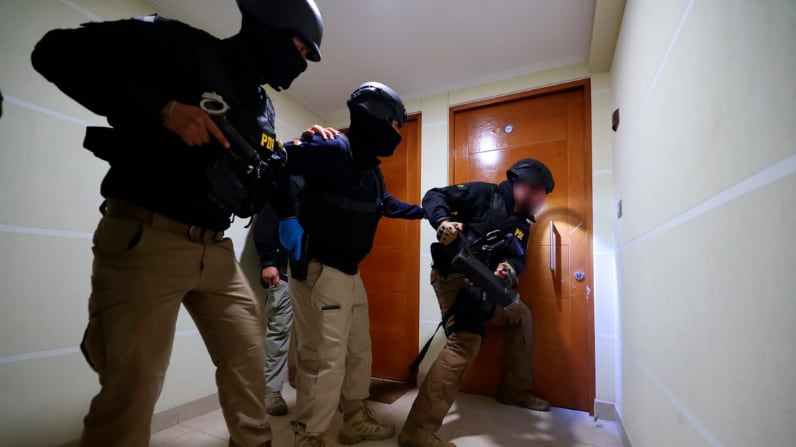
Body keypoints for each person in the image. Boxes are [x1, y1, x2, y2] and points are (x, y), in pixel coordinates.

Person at [30, 1, 323, 446]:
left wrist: (291, 191)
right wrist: (164, 109)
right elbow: (55, 52)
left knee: (248, 358)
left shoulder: (261, 104)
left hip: (216, 249)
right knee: (133, 387)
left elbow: (268, 165)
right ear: (271, 26)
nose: (301, 63)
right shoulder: (181, 44)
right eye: (300, 49)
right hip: (149, 237)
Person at [275, 82, 426, 447]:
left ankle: (354, 418)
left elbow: (385, 204)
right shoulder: (330, 147)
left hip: (348, 272)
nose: (397, 134)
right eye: (395, 125)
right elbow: (274, 161)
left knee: (359, 349)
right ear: (376, 117)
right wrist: (286, 215)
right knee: (323, 357)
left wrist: (428, 214)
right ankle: (309, 435)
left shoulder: (369, 168)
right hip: (320, 269)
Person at [398, 159, 556, 447]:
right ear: (525, 187)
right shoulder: (486, 194)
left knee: (520, 315)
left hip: (486, 284)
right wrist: (442, 222)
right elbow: (434, 195)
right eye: (540, 195)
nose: (541, 202)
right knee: (464, 341)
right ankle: (416, 430)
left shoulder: (523, 225)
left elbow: (518, 258)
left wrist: (508, 268)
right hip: (453, 275)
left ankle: (514, 390)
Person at [253, 179, 303, 416]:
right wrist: (268, 262)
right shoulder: (287, 185)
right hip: (283, 274)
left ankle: (311, 386)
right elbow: (264, 228)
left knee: (316, 335)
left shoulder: (324, 188)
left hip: (314, 275)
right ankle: (271, 392)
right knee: (279, 334)